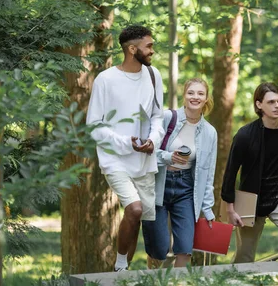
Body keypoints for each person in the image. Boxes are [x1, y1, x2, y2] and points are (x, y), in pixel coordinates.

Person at [86, 25, 165, 271]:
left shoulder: (154, 76)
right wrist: (125, 142)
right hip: (115, 159)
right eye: (148, 46)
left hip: (144, 160)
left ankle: (123, 273)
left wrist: (153, 140)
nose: (152, 50)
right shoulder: (106, 79)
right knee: (135, 208)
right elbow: (94, 126)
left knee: (137, 216)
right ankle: (119, 267)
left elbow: (157, 117)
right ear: (132, 49)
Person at [222, 82, 278, 263]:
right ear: (258, 105)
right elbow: (230, 172)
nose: (277, 106)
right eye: (271, 102)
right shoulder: (245, 135)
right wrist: (230, 209)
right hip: (250, 199)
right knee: (244, 255)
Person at [142, 78, 218, 268]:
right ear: (184, 95)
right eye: (191, 92)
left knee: (185, 247)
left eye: (200, 93)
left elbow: (208, 173)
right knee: (158, 249)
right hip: (159, 183)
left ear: (206, 98)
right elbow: (148, 150)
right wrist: (169, 157)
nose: (195, 97)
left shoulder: (210, 132)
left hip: (185, 189)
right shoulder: (168, 118)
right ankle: (154, 281)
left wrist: (207, 208)